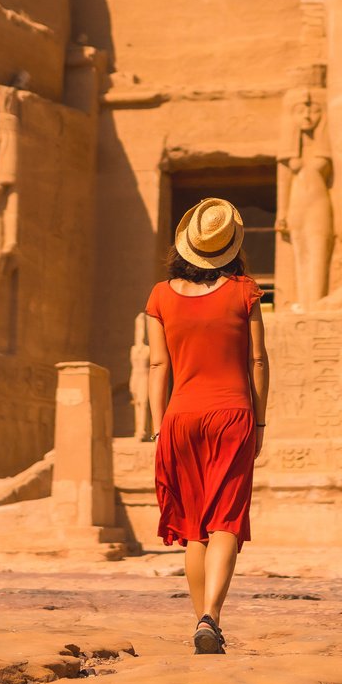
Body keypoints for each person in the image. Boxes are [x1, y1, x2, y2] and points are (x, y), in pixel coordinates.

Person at [142, 197, 270, 654]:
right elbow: (257, 359)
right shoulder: (244, 290)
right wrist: (259, 422)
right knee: (226, 521)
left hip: (179, 418)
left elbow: (158, 365)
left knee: (193, 527)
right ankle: (210, 618)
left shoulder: (159, 296)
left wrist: (158, 428)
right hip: (232, 414)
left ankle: (203, 621)